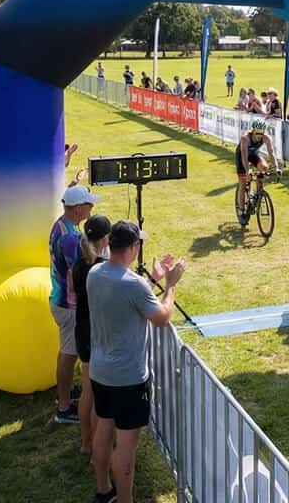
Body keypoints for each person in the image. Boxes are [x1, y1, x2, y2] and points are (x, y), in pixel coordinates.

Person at [88, 221, 187, 503]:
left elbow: (129, 295)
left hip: (100, 371)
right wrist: (169, 286)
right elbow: (162, 317)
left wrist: (152, 281)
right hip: (128, 378)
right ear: (133, 247)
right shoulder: (132, 285)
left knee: (104, 430)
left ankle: (103, 489)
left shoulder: (95, 273)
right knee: (126, 447)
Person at [49, 184, 100, 423]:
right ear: (79, 208)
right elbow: (81, 271)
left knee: (68, 352)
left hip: (61, 300)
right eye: (89, 204)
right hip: (69, 305)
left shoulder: (61, 225)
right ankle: (64, 407)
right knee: (69, 354)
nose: (92, 207)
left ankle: (66, 395)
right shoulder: (71, 238)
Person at [72, 214, 111, 455]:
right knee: (98, 397)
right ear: (106, 239)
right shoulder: (99, 270)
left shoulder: (79, 264)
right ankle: (97, 447)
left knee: (88, 391)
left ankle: (87, 444)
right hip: (96, 336)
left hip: (82, 331)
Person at [235, 118, 280, 222]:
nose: (259, 135)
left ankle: (259, 194)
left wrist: (276, 168)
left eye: (261, 133)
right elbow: (244, 157)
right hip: (242, 156)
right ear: (253, 131)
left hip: (253, 154)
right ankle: (241, 210)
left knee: (264, 168)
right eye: (257, 133)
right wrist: (247, 171)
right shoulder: (245, 138)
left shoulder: (266, 138)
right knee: (242, 182)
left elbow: (271, 153)